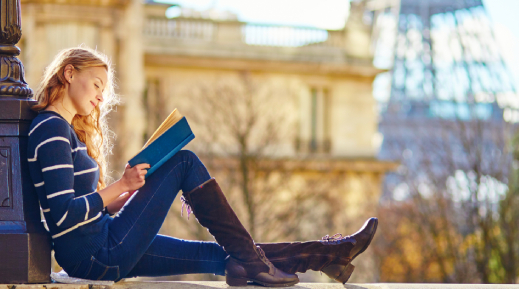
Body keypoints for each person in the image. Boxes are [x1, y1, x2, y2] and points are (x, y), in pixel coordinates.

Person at [27, 47, 378, 286]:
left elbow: (80, 208)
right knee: (182, 160)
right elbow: (62, 216)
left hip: (102, 243)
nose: (101, 96)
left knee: (223, 256)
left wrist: (125, 196)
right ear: (69, 73)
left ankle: (326, 254)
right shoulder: (51, 129)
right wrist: (122, 185)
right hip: (96, 254)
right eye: (98, 85)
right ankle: (271, 261)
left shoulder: (62, 131)